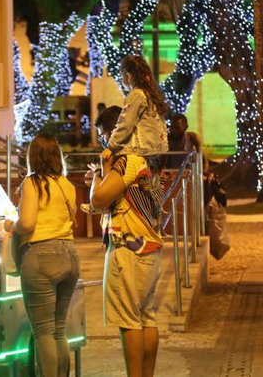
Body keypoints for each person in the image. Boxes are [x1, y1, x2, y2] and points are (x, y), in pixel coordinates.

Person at [90, 108, 167, 377]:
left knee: (129, 321)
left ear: (115, 133)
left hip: (128, 249)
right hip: (149, 246)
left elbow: (99, 200)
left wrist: (101, 172)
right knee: (147, 317)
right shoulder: (147, 160)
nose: (103, 143)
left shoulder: (126, 162)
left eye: (103, 137)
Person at [1, 133, 80, 377]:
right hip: (69, 255)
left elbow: (27, 223)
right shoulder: (66, 185)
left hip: (41, 256)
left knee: (43, 330)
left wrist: (10, 226)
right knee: (58, 329)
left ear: (32, 157)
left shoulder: (32, 183)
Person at [100, 55, 169, 162]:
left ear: (129, 76)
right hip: (155, 150)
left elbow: (125, 124)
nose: (121, 80)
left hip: (139, 151)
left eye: (121, 76)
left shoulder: (137, 95)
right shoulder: (151, 95)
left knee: (107, 161)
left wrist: (111, 147)